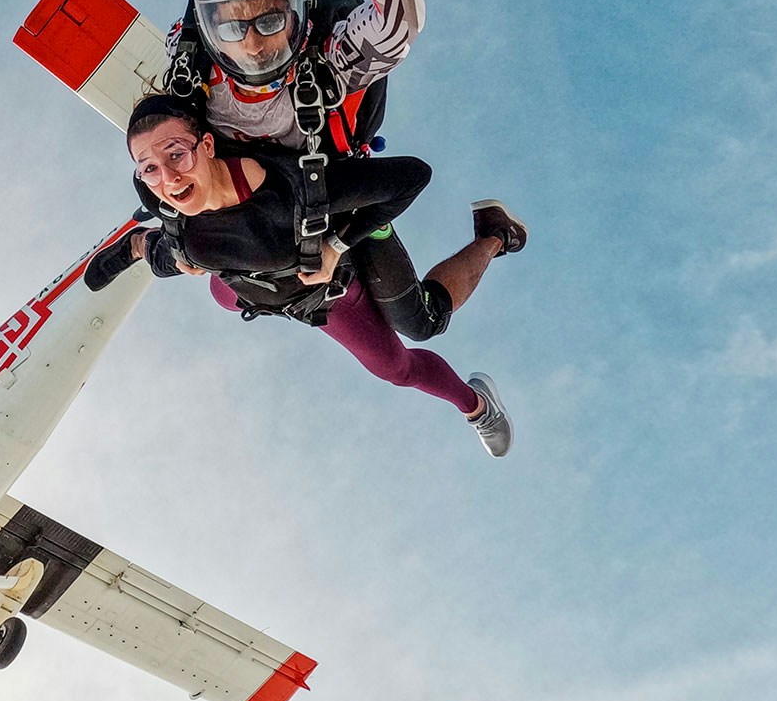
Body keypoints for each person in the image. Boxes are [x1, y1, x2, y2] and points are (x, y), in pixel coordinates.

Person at [160, 0, 525, 341]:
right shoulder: (191, 79)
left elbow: (398, 27)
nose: (254, 45)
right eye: (233, 29)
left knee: (419, 323)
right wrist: (171, 233)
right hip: (267, 214)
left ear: (300, 15)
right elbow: (149, 152)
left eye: (269, 21)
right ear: (208, 33)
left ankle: (494, 234)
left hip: (343, 203)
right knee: (228, 285)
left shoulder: (325, 66)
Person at [88, 96, 516, 456]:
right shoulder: (181, 228)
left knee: (417, 334)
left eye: (176, 155)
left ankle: (496, 239)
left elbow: (413, 177)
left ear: (207, 145)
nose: (167, 178)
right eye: (149, 168)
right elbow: (167, 251)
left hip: (339, 256)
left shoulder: (291, 191)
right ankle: (136, 245)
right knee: (189, 267)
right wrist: (138, 247)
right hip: (268, 291)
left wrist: (337, 246)